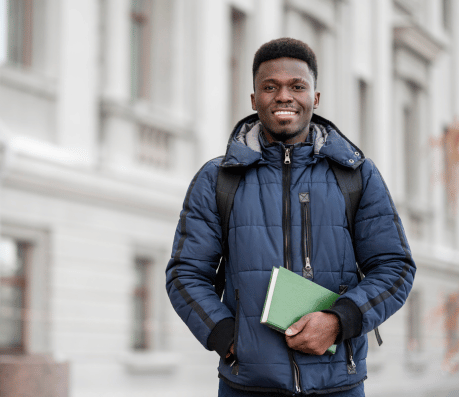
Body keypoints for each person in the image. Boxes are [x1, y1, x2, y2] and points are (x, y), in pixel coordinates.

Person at [165, 37, 416, 396]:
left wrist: (339, 321)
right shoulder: (218, 178)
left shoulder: (356, 175)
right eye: (270, 87)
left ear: (315, 97)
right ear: (254, 99)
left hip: (338, 385)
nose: (284, 96)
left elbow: (396, 267)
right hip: (246, 385)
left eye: (297, 86)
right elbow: (185, 274)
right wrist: (229, 338)